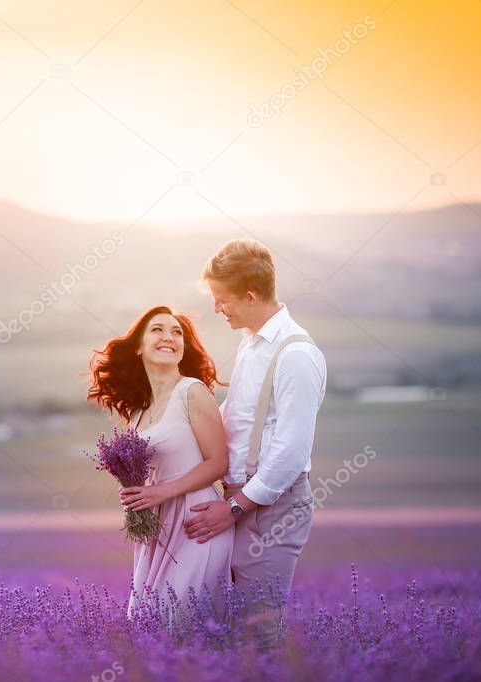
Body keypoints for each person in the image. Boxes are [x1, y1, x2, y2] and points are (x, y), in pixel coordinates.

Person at [184, 238, 327, 650]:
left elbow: (291, 451)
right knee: (227, 630)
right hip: (239, 501)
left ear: (249, 296)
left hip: (271, 508)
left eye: (221, 299)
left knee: (259, 634)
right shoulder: (253, 342)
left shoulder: (296, 354)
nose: (217, 308)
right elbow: (235, 419)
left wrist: (234, 507)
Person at [87, 306, 233, 630]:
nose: (169, 337)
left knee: (182, 623)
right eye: (158, 330)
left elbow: (218, 463)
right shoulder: (138, 411)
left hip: (197, 522)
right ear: (138, 345)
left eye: (177, 332)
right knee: (148, 626)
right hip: (157, 529)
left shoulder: (192, 392)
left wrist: (160, 491)